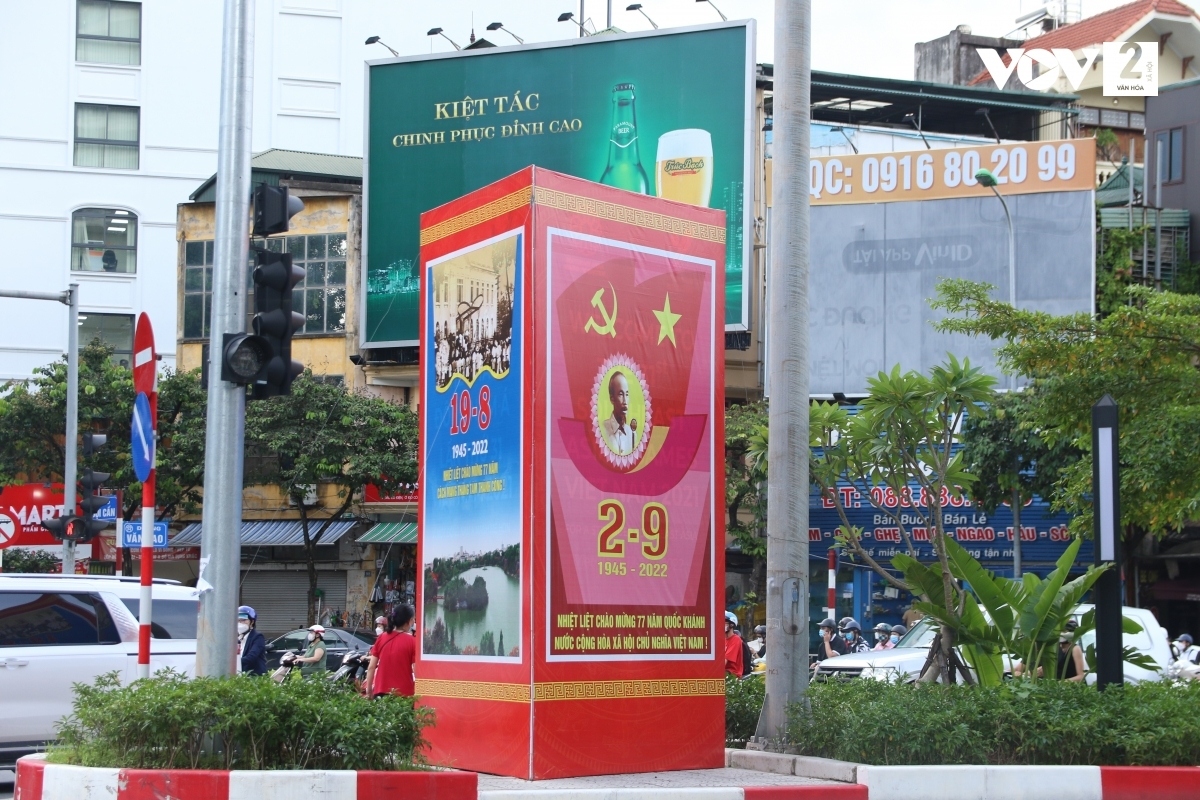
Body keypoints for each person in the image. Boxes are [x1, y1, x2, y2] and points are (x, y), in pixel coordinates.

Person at [364, 605, 418, 698]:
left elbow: (371, 667)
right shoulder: (412, 641)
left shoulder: (382, 637)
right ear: (408, 621)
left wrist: (369, 690)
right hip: (404, 694)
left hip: (381, 690)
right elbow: (416, 670)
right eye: (413, 619)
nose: (413, 622)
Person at [601, 372, 638, 455]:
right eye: (621, 394)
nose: (625, 401)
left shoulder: (632, 434)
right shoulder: (602, 430)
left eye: (627, 394)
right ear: (612, 399)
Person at [237, 605, 267, 675]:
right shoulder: (235, 638)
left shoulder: (258, 637)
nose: (240, 623)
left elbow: (251, 657)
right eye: (238, 620)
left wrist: (234, 663)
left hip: (254, 677)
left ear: (252, 622)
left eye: (244, 620)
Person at [723, 611, 744, 677]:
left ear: (731, 624)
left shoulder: (736, 639)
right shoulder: (722, 640)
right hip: (724, 672)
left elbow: (724, 662)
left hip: (732, 675)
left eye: (724, 622)